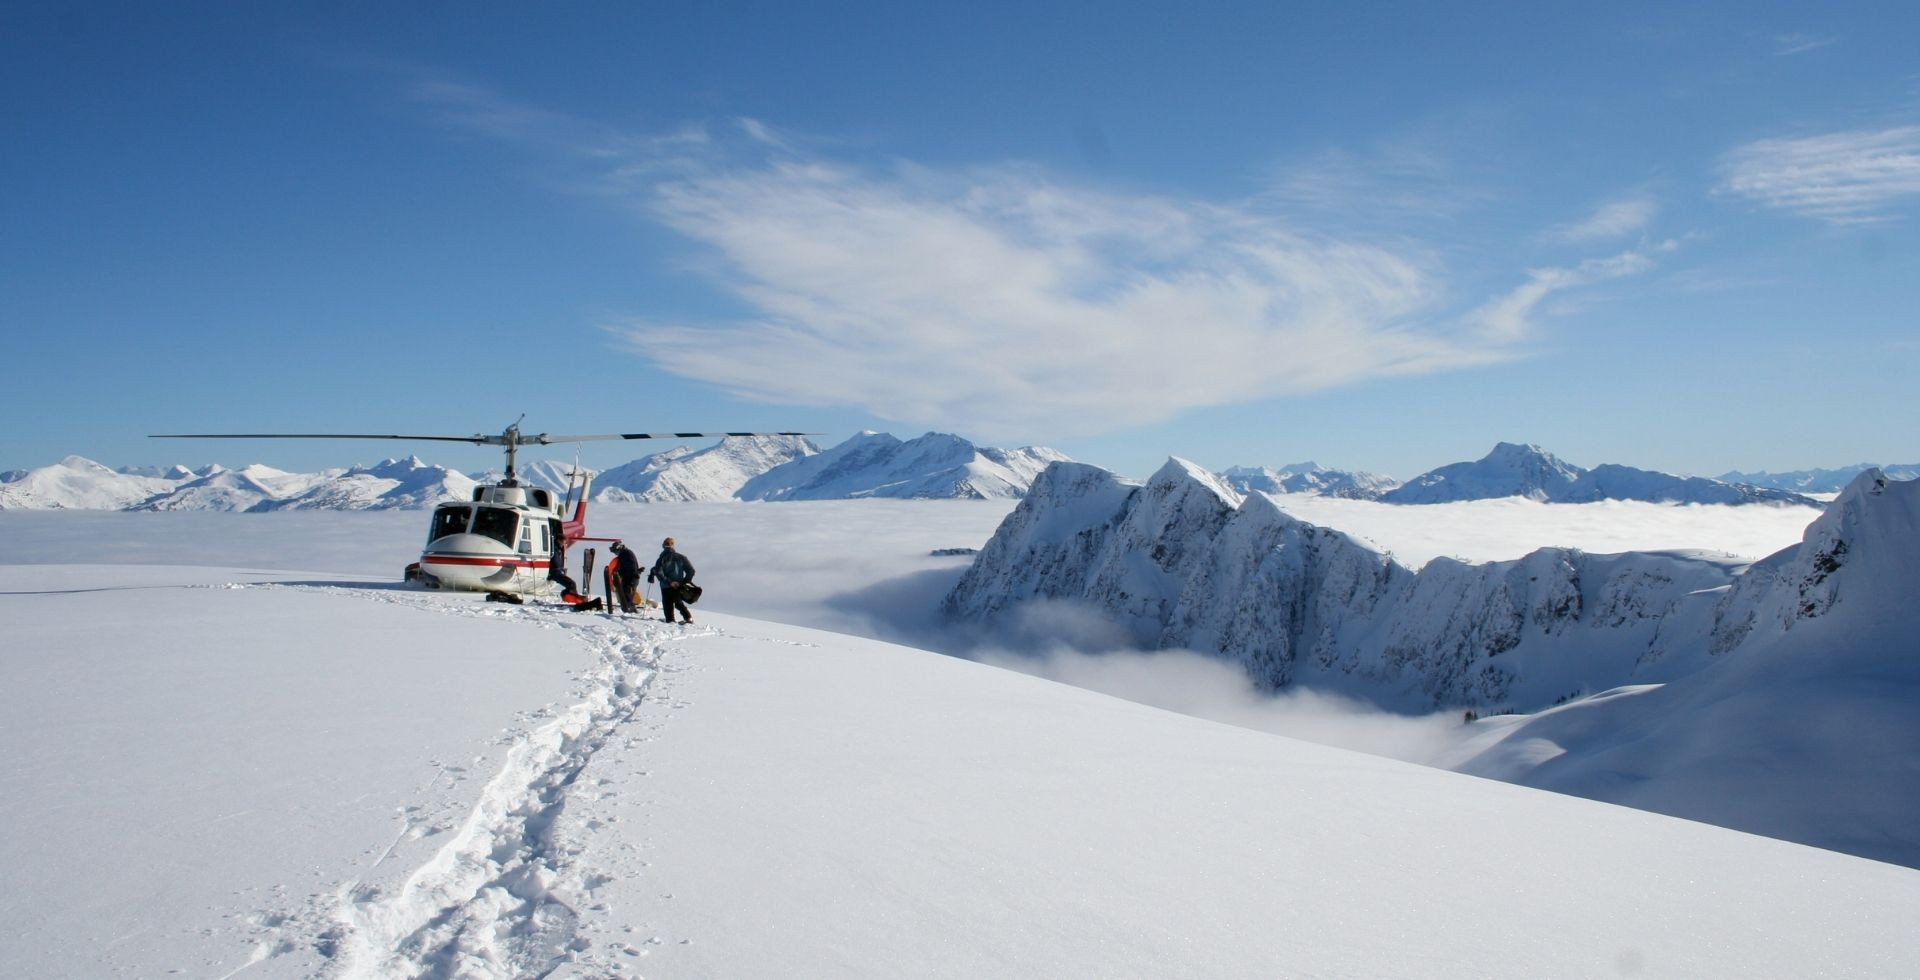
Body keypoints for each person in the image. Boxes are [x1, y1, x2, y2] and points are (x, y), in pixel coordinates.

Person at [649, 536, 696, 624]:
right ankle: (688, 618)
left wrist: (669, 582)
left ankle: (670, 621)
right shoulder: (681, 557)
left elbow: (659, 572)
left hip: (666, 585)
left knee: (667, 604)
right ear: (673, 546)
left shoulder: (661, 559)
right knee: (678, 602)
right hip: (678, 585)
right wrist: (684, 582)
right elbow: (691, 571)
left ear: (663, 546)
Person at [547, 521, 580, 597]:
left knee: (572, 584)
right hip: (554, 572)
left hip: (557, 571)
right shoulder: (554, 548)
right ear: (559, 540)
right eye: (563, 542)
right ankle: (570, 596)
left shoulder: (557, 549)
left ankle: (570, 595)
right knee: (572, 584)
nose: (563, 545)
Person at [609, 540, 641, 614]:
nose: (615, 553)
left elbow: (632, 567)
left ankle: (631, 611)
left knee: (628, 595)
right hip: (628, 578)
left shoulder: (627, 554)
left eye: (615, 551)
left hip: (631, 579)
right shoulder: (624, 555)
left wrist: (632, 581)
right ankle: (629, 610)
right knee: (625, 595)